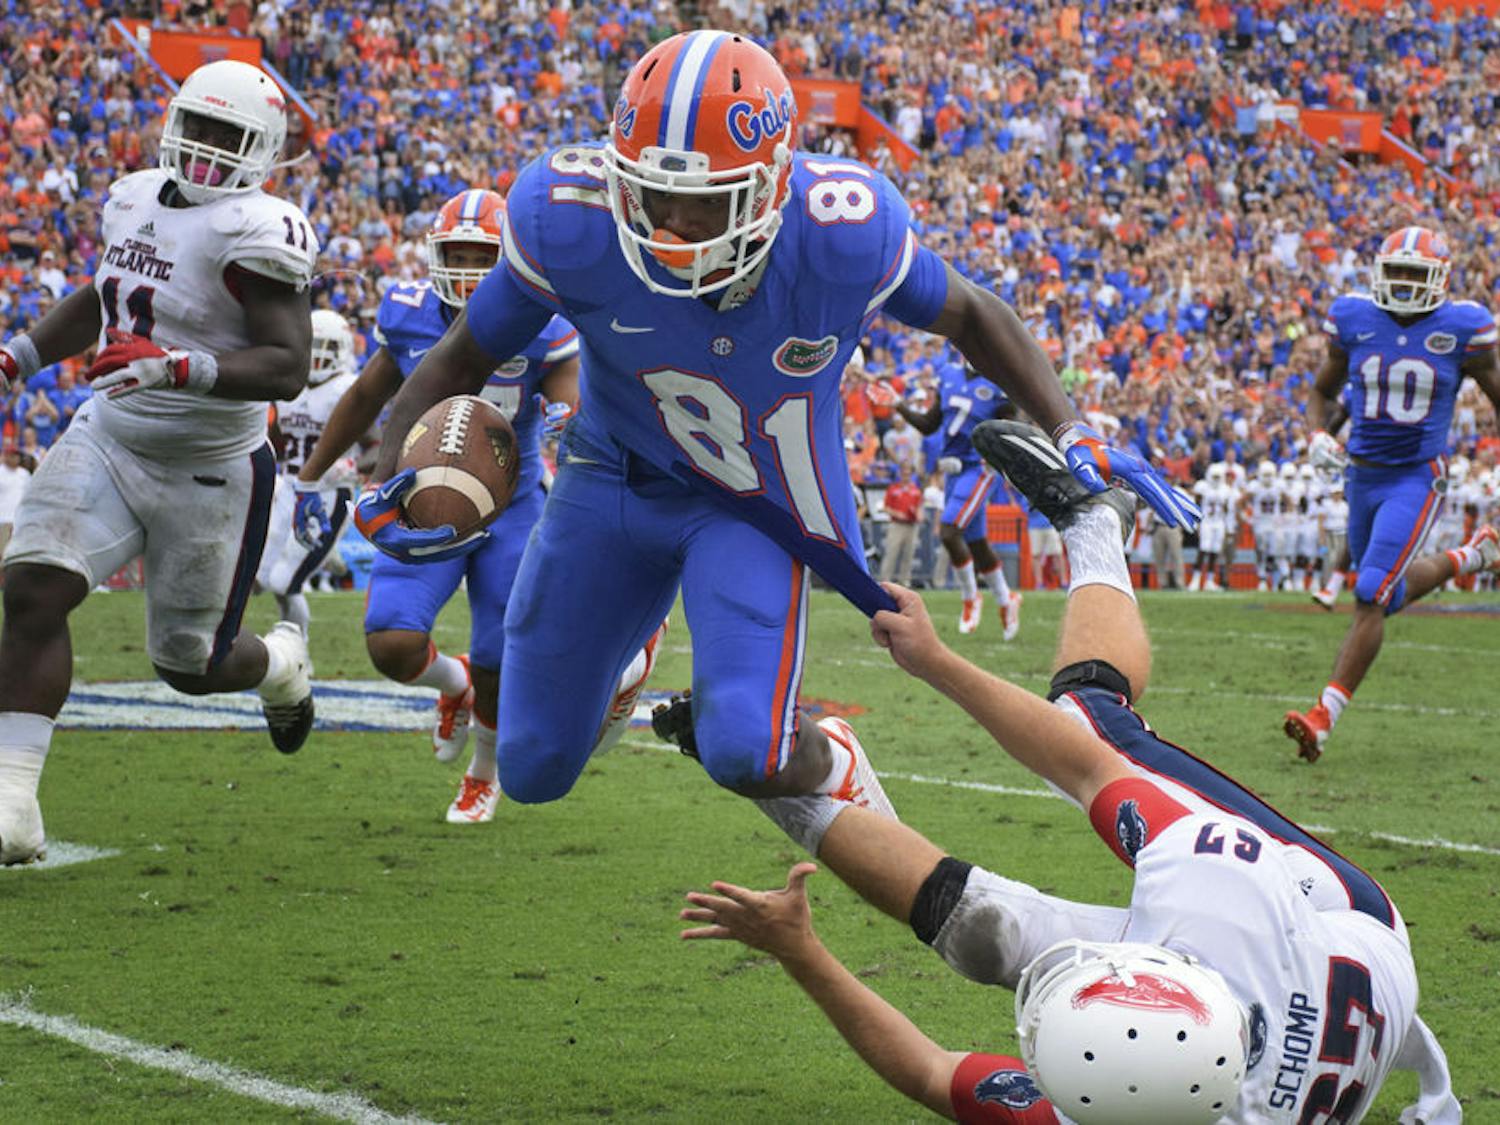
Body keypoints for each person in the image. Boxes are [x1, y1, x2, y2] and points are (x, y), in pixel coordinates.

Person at [353, 31, 1198, 817]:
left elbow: (972, 314)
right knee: (533, 769)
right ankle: (630, 656)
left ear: (770, 187)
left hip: (753, 501)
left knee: (743, 751)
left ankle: (834, 762)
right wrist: (390, 474)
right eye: (653, 196)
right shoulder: (569, 218)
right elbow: (461, 355)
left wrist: (1074, 425)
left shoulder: (842, 231)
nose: (673, 229)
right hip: (611, 477)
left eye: (704, 205)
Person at [682, 421, 1458, 1124]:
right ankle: (1096, 520)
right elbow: (1084, 764)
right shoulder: (1219, 892)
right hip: (1334, 918)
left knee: (984, 934)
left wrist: (801, 943)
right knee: (1091, 715)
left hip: (1271, 994)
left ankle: (794, 784)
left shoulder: (1132, 1084)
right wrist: (937, 663)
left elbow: (931, 1072)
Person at [0, 60, 319, 865]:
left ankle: (282, 661)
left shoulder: (257, 230)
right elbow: (104, 297)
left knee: (191, 664)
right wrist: (22, 353)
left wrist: (181, 367)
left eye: (227, 135)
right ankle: (11, 804)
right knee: (33, 584)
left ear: (263, 149)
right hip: (112, 434)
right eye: (200, 126)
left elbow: (287, 365)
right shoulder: (133, 197)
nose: (207, 148)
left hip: (211, 465)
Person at [298, 188, 663, 824]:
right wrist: (310, 474)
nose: (467, 269)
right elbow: (363, 397)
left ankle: (482, 772)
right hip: (422, 502)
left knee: (501, 656)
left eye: (481, 256)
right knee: (391, 642)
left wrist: (567, 416)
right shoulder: (410, 314)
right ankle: (454, 685)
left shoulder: (540, 323)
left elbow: (570, 397)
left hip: (509, 510)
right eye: (456, 254)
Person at [1286, 226, 1500, 762]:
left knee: (1370, 590)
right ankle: (1471, 556)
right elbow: (1320, 390)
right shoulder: (1355, 319)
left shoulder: (1463, 328)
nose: (1405, 285)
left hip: (1416, 476)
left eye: (1416, 275)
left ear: (1440, 280)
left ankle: (1323, 715)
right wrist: (1316, 433)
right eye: (1397, 273)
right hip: (1361, 475)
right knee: (1387, 593)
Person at [255, 309, 365, 635]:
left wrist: (352, 465)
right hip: (288, 487)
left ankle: (296, 647)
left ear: (342, 350)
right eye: (313, 344)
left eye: (327, 347)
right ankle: (293, 642)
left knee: (282, 580)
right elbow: (276, 439)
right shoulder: (290, 385)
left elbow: (377, 442)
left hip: (328, 492)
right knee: (259, 577)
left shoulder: (349, 387)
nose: (317, 354)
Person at [895, 364, 1022, 637]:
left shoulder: (998, 379)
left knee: (950, 530)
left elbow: (1012, 428)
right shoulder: (949, 376)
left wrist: (999, 456)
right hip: (952, 472)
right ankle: (1005, 599)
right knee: (976, 543)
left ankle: (970, 597)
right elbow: (930, 425)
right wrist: (898, 404)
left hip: (979, 468)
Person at [877, 467, 922, 587]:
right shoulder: (893, 489)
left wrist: (919, 515)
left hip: (911, 525)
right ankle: (885, 581)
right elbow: (884, 507)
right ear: (900, 474)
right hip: (896, 524)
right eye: (904, 473)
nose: (906, 476)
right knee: (891, 552)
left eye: (908, 474)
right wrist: (897, 513)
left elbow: (919, 507)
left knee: (909, 554)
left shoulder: (916, 490)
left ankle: (905, 581)